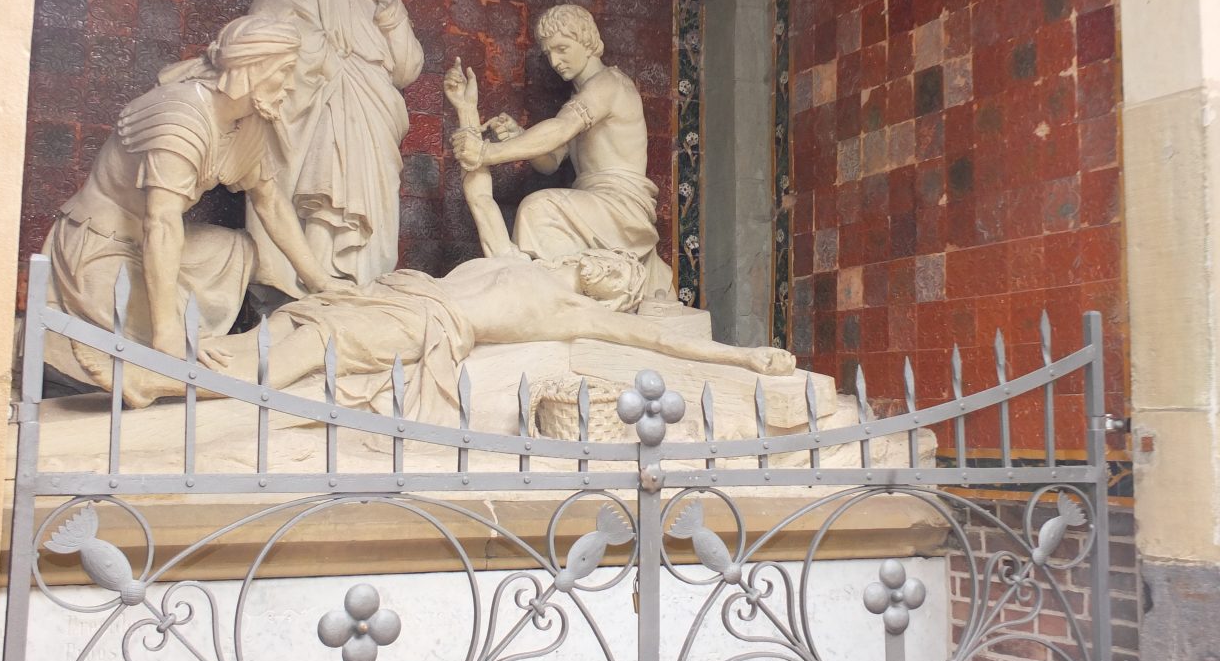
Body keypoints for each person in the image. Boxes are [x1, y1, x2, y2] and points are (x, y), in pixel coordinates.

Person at [87, 245, 795, 410]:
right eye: (609, 257)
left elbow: (661, 340)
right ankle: (175, 364)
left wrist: (747, 357)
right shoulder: (526, 261)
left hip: (426, 322)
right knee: (294, 322)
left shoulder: (578, 313)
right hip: (404, 291)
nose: (608, 265)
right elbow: (481, 194)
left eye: (621, 274)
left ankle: (159, 385)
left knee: (310, 348)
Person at [44, 16, 350, 387]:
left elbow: (270, 203)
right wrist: (168, 334)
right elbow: (161, 222)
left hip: (155, 245)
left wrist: (319, 281)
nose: (289, 85)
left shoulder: (248, 120)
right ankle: (164, 346)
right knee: (164, 333)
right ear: (252, 68)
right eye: (285, 71)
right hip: (98, 248)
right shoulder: (181, 116)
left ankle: (212, 341)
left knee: (237, 251)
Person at [246, 0, 424, 295]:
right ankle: (313, 285)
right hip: (324, 96)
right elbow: (267, 27)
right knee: (326, 185)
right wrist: (325, 57)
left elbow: (407, 68)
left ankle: (362, 287)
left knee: (367, 195)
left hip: (374, 110)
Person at [447, 4, 674, 297]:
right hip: (595, 203)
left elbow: (561, 129)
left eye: (562, 48)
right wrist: (520, 137)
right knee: (539, 215)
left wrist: (486, 153)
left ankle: (555, 297)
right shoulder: (580, 97)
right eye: (549, 53)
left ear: (587, 40)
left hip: (621, 207)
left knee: (538, 209)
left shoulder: (610, 84)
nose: (555, 61)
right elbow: (551, 162)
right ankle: (559, 295)